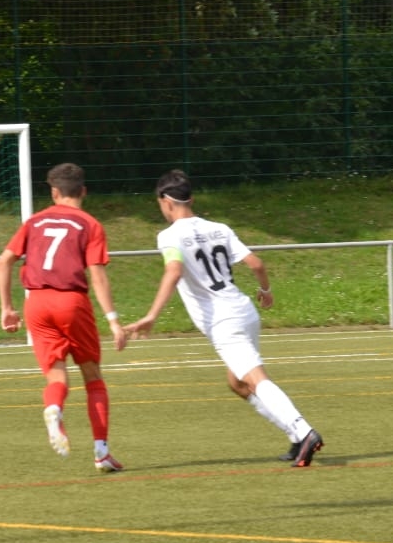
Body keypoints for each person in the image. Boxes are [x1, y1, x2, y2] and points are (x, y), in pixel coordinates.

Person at [124, 169, 323, 468]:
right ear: (191, 199)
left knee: (255, 379)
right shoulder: (220, 228)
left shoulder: (169, 236)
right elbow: (256, 263)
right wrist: (265, 290)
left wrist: (151, 315)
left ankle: (304, 431)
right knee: (238, 383)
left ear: (165, 201)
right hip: (244, 310)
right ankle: (296, 436)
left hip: (223, 321)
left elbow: (174, 271)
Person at [0, 162, 128, 472]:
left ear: (54, 192)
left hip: (36, 303)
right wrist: (113, 319)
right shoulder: (90, 224)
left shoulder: (34, 221)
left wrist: (7, 307)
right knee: (93, 377)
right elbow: (97, 275)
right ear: (83, 191)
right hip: (71, 302)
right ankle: (101, 452)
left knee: (56, 377)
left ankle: (54, 407)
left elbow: (3, 262)